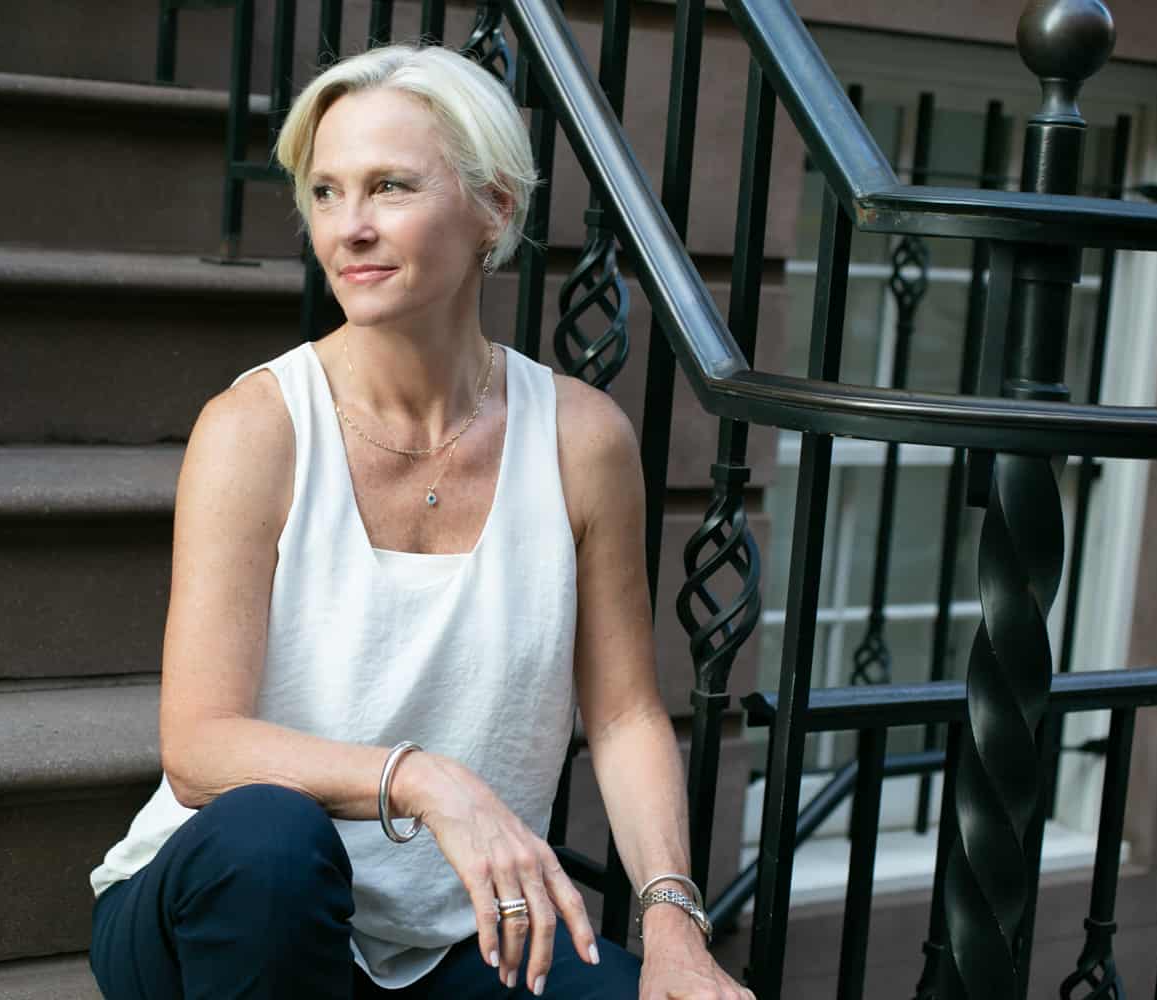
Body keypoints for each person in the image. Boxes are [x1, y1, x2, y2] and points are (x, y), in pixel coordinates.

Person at [86, 41, 753, 1000]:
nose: (348, 227)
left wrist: (675, 927)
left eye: (391, 186)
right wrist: (428, 780)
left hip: (461, 932)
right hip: (229, 914)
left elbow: (624, 713)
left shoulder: (580, 439)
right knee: (271, 836)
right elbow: (200, 748)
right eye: (325, 192)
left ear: (496, 209)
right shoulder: (256, 427)